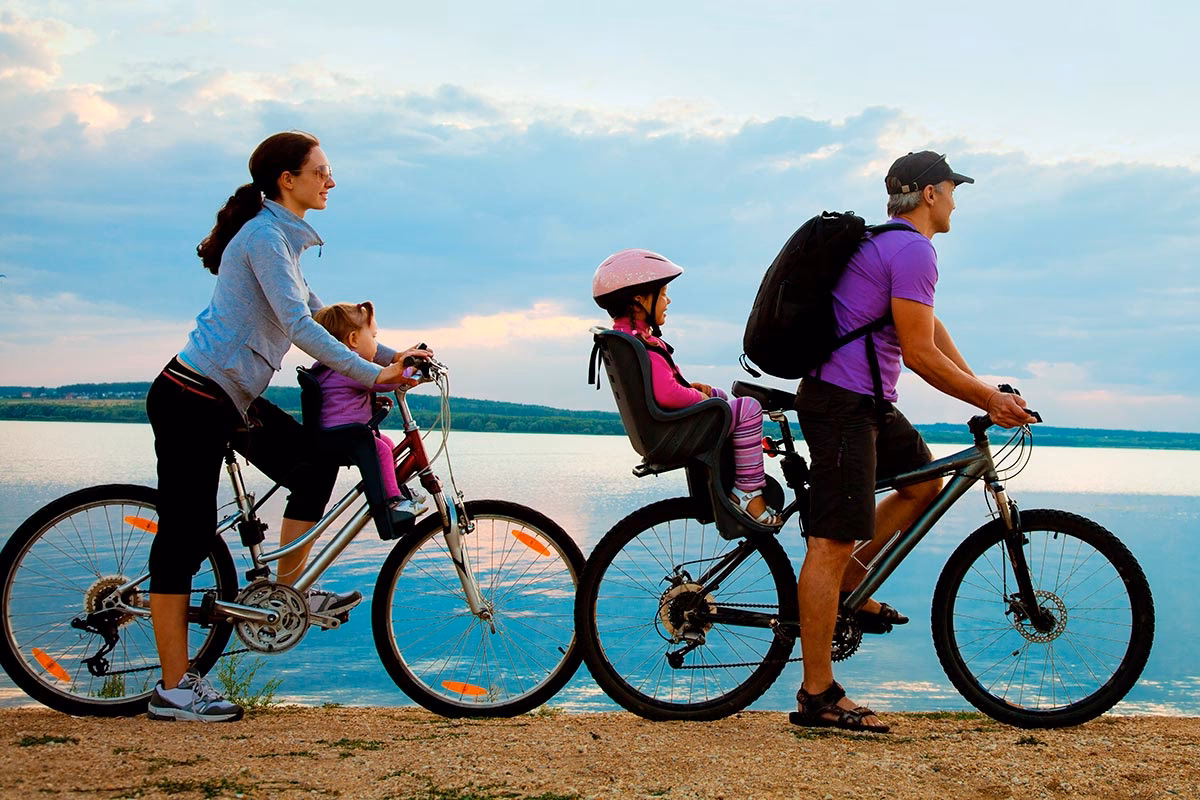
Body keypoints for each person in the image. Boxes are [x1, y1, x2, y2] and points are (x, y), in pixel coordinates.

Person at [144, 131, 429, 722]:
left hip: (230, 399)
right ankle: (173, 688)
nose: (331, 180)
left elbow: (331, 323)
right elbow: (301, 327)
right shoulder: (264, 237)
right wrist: (374, 379)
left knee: (314, 459)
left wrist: (398, 359)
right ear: (287, 181)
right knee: (186, 533)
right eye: (321, 171)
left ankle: (288, 591)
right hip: (192, 397)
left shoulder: (285, 245)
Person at [790, 151, 1037, 733]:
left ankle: (854, 577)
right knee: (830, 540)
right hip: (840, 404)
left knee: (925, 482)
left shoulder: (893, 246)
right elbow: (920, 355)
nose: (955, 201)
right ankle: (817, 694)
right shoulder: (913, 248)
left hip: (866, 402)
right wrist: (989, 403)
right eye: (953, 190)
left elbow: (928, 329)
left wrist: (979, 382)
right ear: (930, 194)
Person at [593, 248, 782, 525]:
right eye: (663, 294)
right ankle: (747, 492)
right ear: (639, 301)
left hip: (664, 428)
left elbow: (662, 386)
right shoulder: (640, 343)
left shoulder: (628, 337)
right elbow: (667, 394)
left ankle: (739, 479)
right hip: (671, 431)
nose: (667, 301)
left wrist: (700, 392)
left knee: (722, 397)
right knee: (750, 407)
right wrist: (696, 396)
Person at [310, 300, 428, 533]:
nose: (375, 345)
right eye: (373, 337)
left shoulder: (334, 368)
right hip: (342, 436)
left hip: (342, 433)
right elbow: (384, 381)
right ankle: (393, 501)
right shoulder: (347, 366)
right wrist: (411, 368)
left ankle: (392, 487)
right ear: (353, 340)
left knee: (387, 444)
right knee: (381, 450)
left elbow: (351, 394)